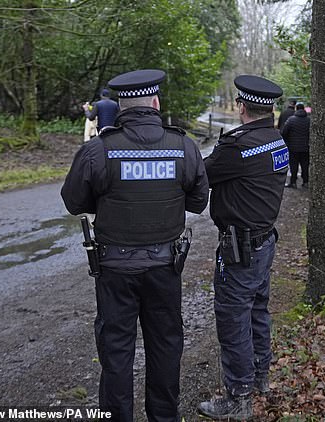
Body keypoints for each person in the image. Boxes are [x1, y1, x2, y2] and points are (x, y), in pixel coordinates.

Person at [61, 69, 209, 422]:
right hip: (164, 268)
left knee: (115, 350)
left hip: (114, 269)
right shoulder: (184, 147)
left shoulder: (98, 150)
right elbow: (198, 200)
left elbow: (73, 201)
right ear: (156, 103)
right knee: (166, 344)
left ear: (119, 107)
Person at [198, 75, 288, 421]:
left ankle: (238, 398)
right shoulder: (275, 139)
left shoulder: (237, 147)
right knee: (258, 312)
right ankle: (260, 376)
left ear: (241, 107)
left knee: (233, 319)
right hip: (264, 242)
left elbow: (201, 175)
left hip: (241, 250)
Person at [280, 102, 310, 188]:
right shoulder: (309, 120)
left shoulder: (291, 120)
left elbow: (284, 132)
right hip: (305, 148)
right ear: (303, 109)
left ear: (296, 109)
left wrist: (287, 142)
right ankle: (306, 182)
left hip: (293, 148)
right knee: (305, 165)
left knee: (293, 165)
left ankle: (293, 182)